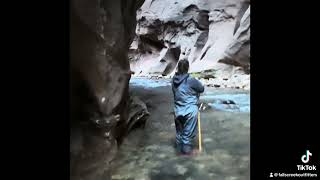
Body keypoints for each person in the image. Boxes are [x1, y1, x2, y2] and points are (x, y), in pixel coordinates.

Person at [172, 59, 204, 155]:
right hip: (190, 111)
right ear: (188, 68)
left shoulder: (174, 80)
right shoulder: (191, 80)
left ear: (178, 68)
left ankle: (178, 156)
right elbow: (201, 89)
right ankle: (187, 157)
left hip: (177, 111)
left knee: (179, 135)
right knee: (187, 137)